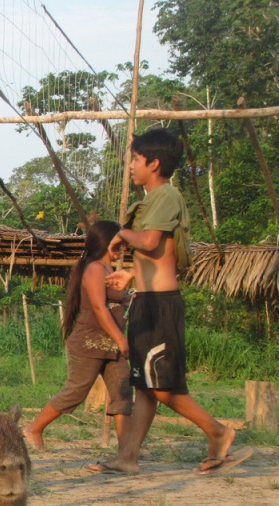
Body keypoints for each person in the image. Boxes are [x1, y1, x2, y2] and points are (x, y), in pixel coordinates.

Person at [98, 128, 238, 475]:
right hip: (147, 299)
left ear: (154, 162)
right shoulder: (151, 199)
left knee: (161, 387)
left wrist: (121, 233)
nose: (130, 165)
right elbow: (160, 252)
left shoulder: (165, 195)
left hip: (161, 304)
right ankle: (127, 456)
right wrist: (132, 275)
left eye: (135, 159)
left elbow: (147, 240)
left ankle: (217, 431)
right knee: (145, 386)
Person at [23, 220, 132, 451]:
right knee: (76, 391)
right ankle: (34, 428)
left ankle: (126, 452)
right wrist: (122, 339)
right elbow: (99, 308)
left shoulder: (108, 270)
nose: (123, 248)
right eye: (119, 243)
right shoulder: (93, 269)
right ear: (106, 242)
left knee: (122, 392)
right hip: (89, 343)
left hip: (110, 344)